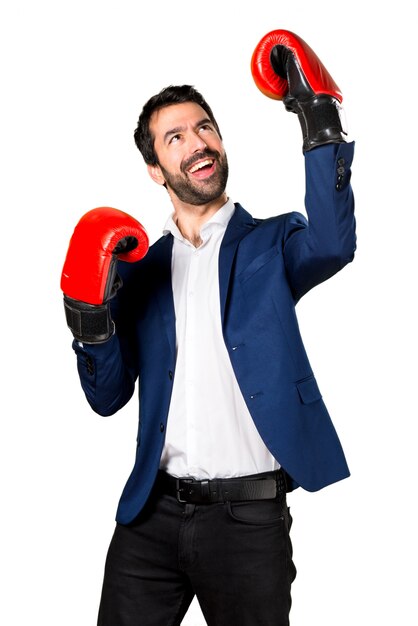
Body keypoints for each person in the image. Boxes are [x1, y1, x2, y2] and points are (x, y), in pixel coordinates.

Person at [61, 29, 356, 626]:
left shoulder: (271, 243)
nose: (198, 142)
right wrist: (89, 318)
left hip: (249, 523)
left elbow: (332, 242)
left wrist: (316, 113)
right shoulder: (138, 270)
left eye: (205, 128)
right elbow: (106, 397)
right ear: (155, 168)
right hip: (151, 518)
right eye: (176, 137)